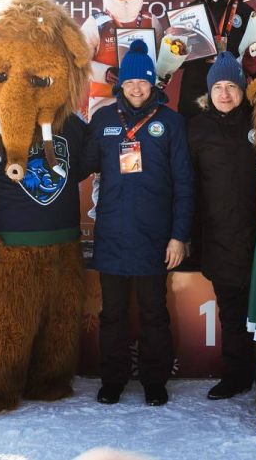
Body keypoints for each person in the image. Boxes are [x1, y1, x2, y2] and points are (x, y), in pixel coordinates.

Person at [82, 38, 194, 406]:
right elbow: (81, 166)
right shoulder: (102, 120)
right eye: (129, 82)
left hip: (154, 238)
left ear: (153, 84)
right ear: (120, 86)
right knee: (112, 314)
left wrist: (178, 237)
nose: (136, 87)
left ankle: (154, 381)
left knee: (153, 313)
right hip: (112, 234)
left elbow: (184, 183)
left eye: (142, 82)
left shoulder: (170, 123)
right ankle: (112, 379)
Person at [187, 52, 256, 400]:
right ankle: (236, 376)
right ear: (209, 91)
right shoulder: (197, 127)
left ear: (244, 89)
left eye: (232, 86)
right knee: (231, 312)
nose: (226, 94)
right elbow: (185, 184)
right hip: (218, 235)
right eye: (219, 87)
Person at [176, 0, 256, 120]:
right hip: (196, 93)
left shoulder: (246, 12)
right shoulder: (188, 13)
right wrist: (177, 50)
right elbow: (179, 62)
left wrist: (253, 62)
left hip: (232, 93)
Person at [81, 0, 158, 117]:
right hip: (105, 102)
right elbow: (78, 61)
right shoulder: (96, 22)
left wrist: (164, 74)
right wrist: (105, 73)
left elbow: (163, 59)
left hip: (143, 100)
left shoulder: (151, 20)